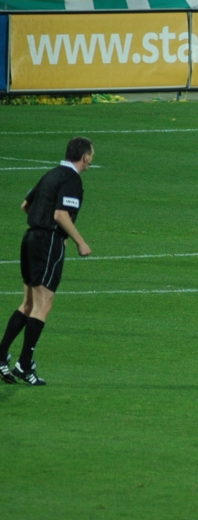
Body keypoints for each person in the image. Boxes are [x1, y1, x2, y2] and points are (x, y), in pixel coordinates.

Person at [1, 137, 94, 386]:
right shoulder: (72, 179)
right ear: (85, 157)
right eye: (91, 156)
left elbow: (25, 205)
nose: (90, 161)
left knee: (29, 303)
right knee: (44, 303)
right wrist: (78, 241)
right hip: (47, 243)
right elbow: (61, 215)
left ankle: (1, 356)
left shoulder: (51, 174)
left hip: (29, 238)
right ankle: (23, 364)